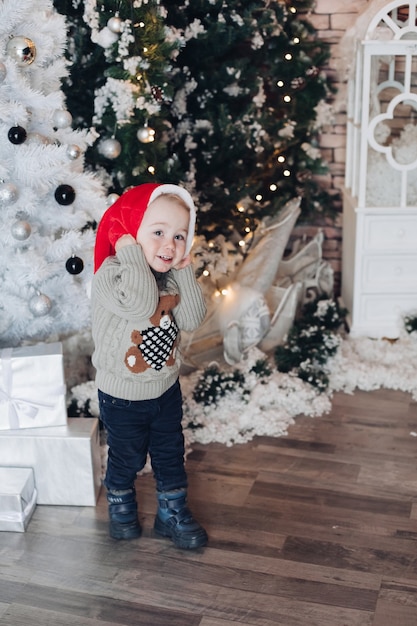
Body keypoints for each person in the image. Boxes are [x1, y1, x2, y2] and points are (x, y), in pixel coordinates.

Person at [91, 182, 208, 549]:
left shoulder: (171, 274)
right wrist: (126, 251)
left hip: (165, 389)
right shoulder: (111, 274)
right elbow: (141, 305)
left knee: (170, 452)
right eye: (157, 233)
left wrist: (185, 270)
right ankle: (120, 501)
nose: (169, 245)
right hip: (122, 395)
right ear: (131, 230)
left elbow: (191, 317)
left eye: (179, 236)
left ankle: (171, 512)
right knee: (127, 455)